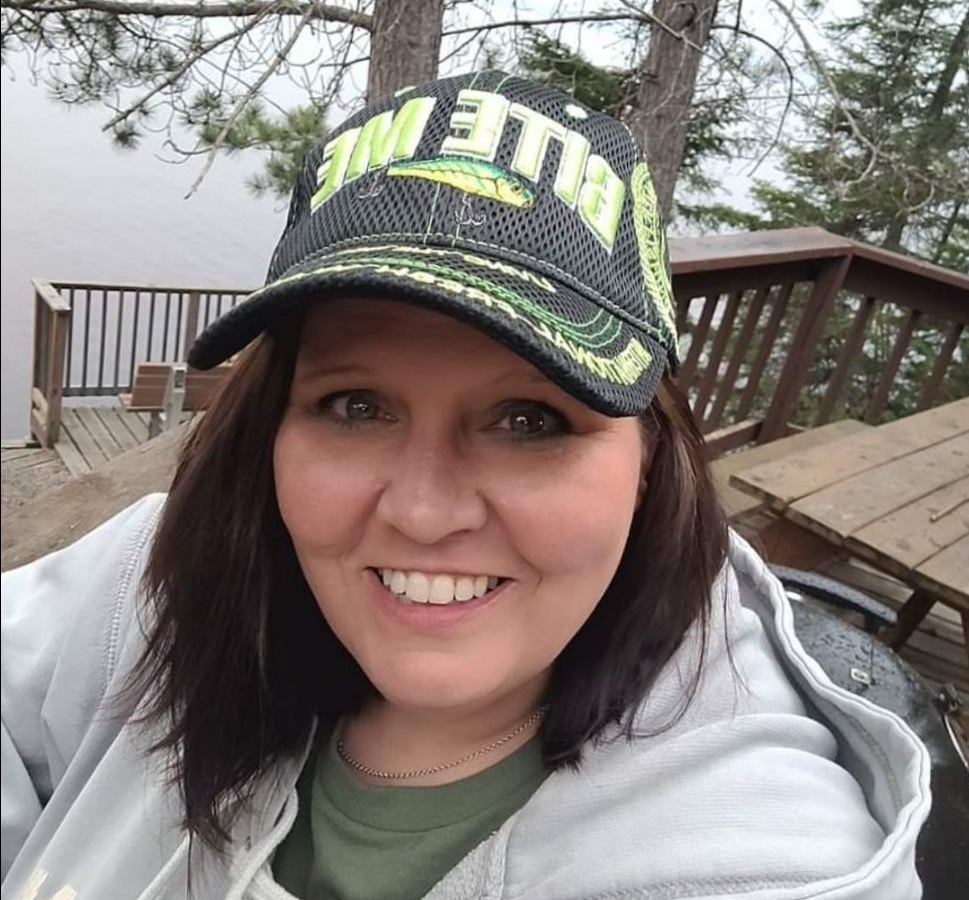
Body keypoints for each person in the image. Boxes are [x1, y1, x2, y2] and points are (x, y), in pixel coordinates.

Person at [1, 72, 930, 900]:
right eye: (356, 406)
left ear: (651, 457)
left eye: (528, 421)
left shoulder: (759, 859)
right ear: (270, 429)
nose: (422, 510)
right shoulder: (151, 586)